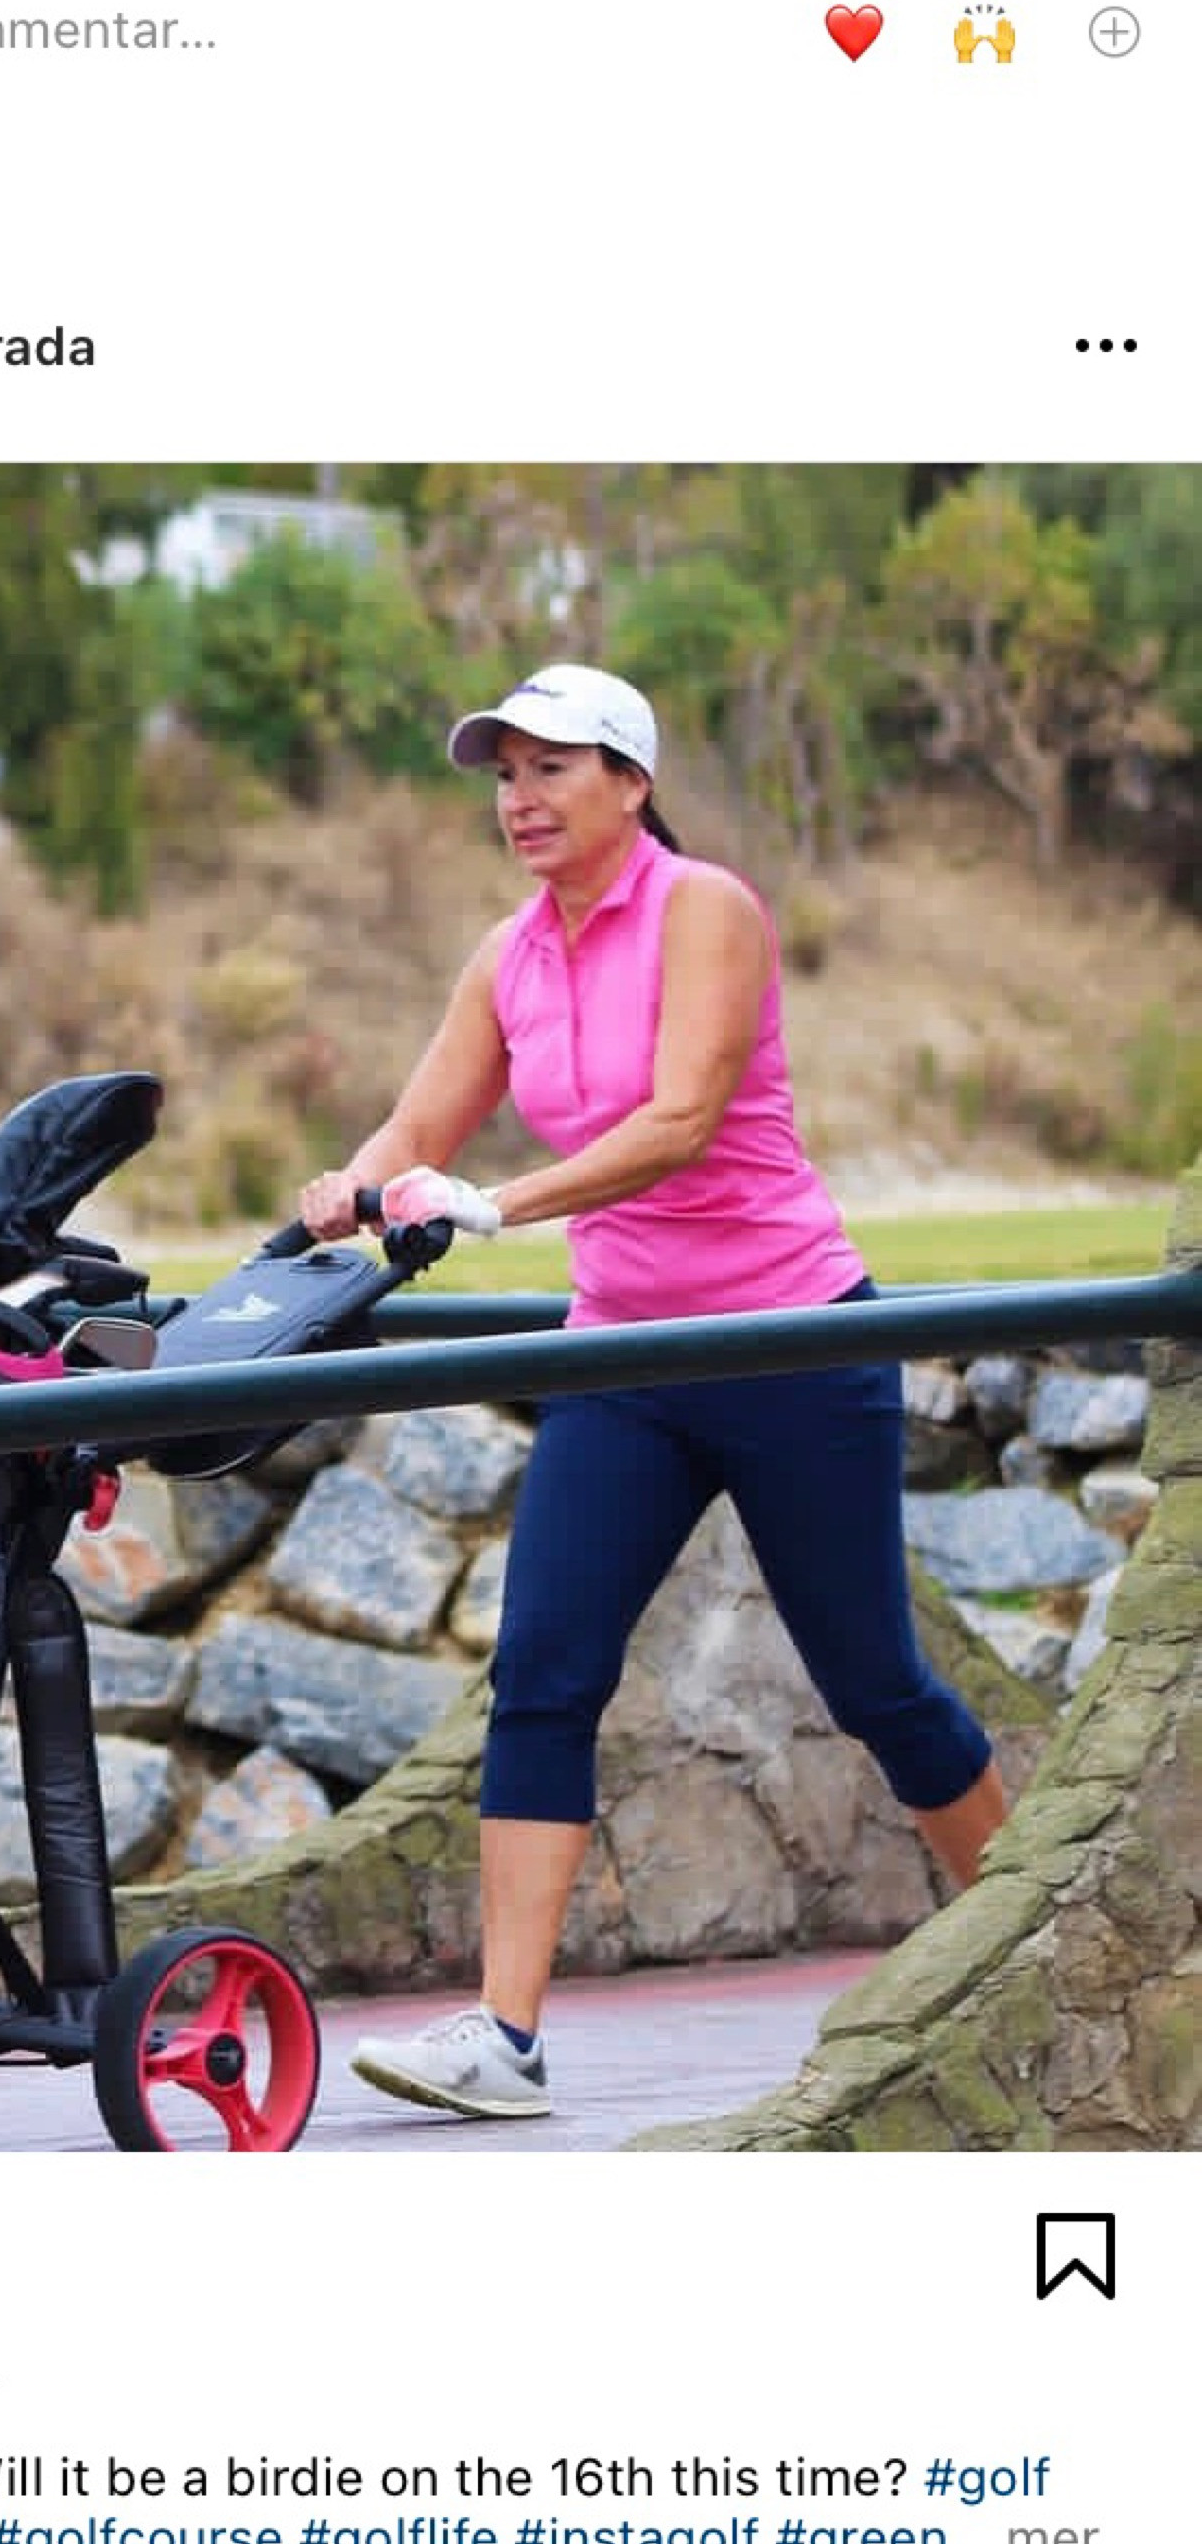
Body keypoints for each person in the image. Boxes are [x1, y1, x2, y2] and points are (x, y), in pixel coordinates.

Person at [297, 662, 1009, 2120]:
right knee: (543, 1671)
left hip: (789, 1344)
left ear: (631, 781)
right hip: (624, 1359)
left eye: (551, 768)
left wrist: (496, 1205)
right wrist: (342, 1194)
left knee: (875, 1684)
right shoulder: (508, 955)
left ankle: (1027, 1948)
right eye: (504, 775)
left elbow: (682, 1120)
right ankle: (506, 2036)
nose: (520, 798)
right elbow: (418, 1126)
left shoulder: (706, 910)